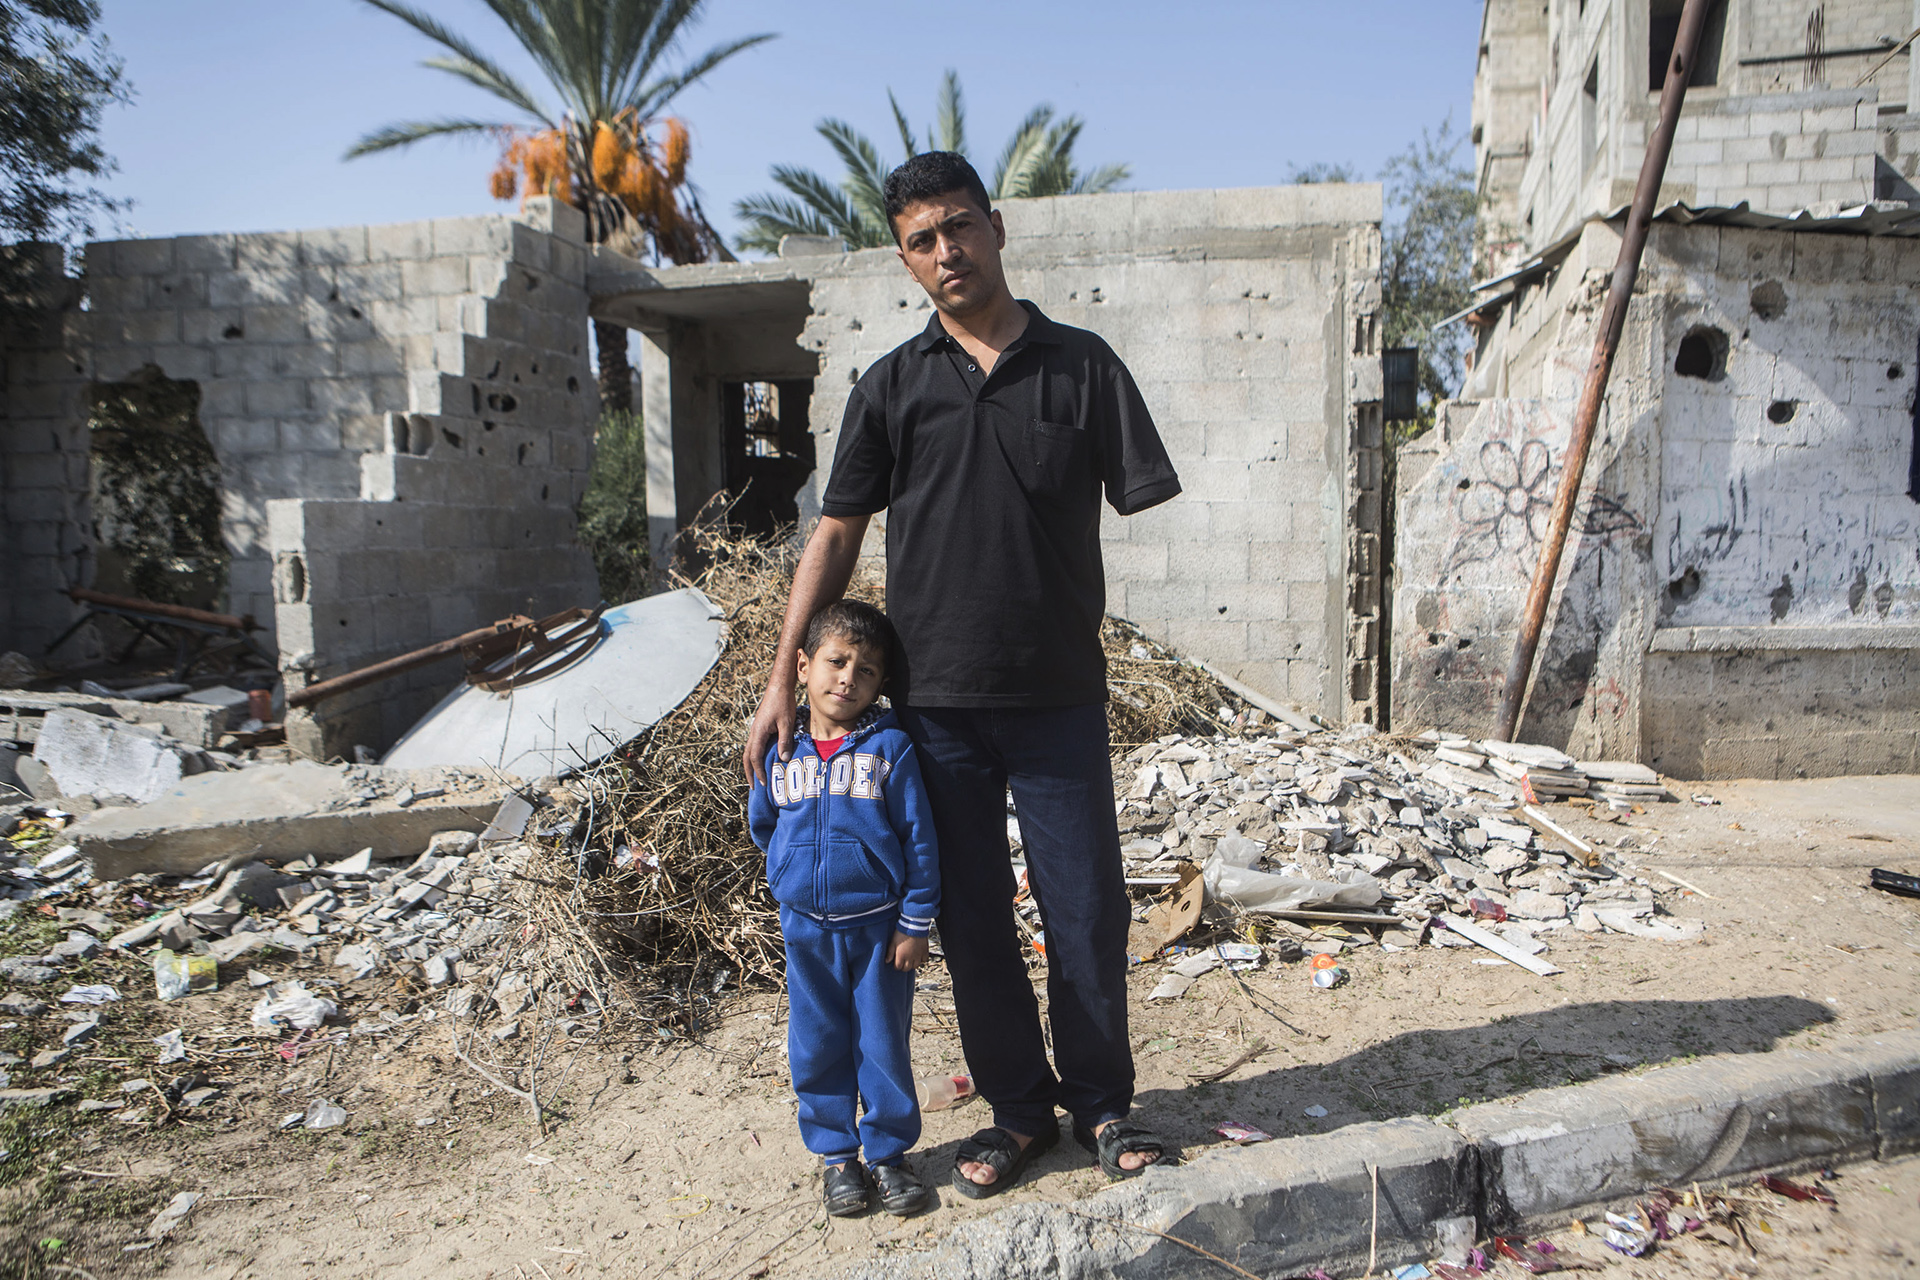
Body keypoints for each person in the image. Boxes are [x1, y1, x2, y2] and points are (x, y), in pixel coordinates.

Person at [744, 151, 1181, 1198]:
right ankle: (1020, 1112)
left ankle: (1103, 1104)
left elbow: (1139, 503)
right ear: (907, 260)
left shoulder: (1084, 368)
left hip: (1060, 692)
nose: (946, 253)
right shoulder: (894, 385)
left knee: (1085, 910)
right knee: (973, 917)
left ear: (996, 225)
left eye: (958, 228)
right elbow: (836, 531)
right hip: (933, 707)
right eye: (921, 242)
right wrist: (779, 680)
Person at [747, 599, 940, 1218]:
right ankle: (837, 1157)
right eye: (836, 661)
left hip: (881, 932)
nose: (847, 678)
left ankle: (887, 1155)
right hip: (804, 931)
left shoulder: (890, 751)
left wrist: (915, 922)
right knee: (816, 1042)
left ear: (881, 684)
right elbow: (764, 827)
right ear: (802, 666)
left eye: (866, 670)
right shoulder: (780, 751)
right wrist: (792, 875)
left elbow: (919, 843)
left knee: (882, 1042)